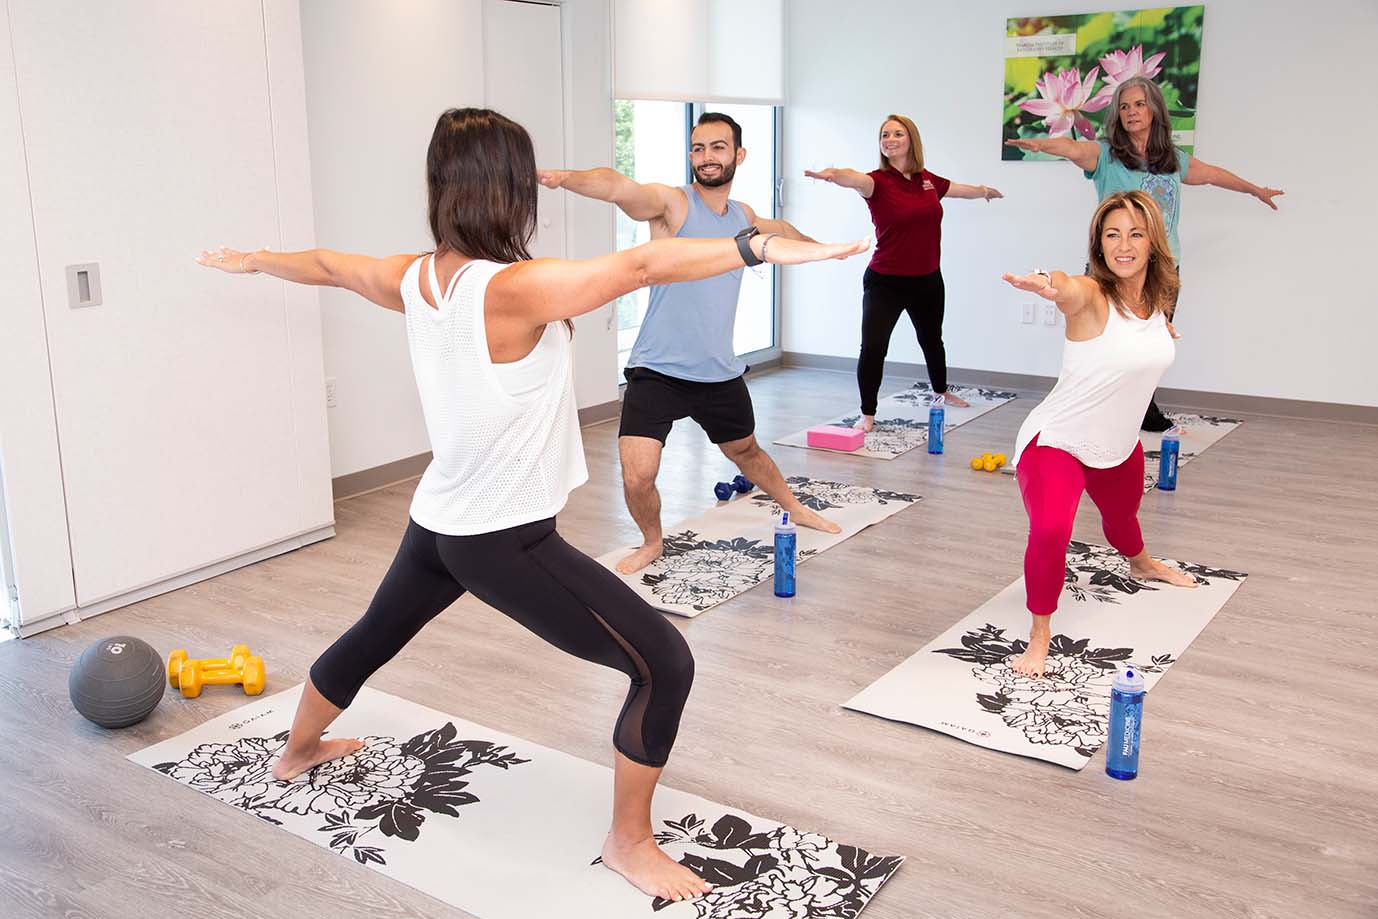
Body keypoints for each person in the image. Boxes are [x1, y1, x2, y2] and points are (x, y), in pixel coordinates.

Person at [196, 107, 867, 902]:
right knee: (666, 664)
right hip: (501, 539)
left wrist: (254, 260)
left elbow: (331, 266)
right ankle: (629, 842)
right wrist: (761, 245)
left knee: (375, 633)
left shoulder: (415, 275)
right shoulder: (514, 287)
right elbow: (642, 269)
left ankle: (296, 749)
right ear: (509, 189)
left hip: (439, 519)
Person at [541, 111, 844, 576]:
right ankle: (652, 541)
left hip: (717, 371)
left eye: (718, 147)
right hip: (657, 369)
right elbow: (619, 187)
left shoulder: (743, 216)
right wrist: (563, 178)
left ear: (738, 155)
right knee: (638, 474)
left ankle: (795, 507)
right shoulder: (673, 205)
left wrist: (824, 248)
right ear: (690, 155)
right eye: (698, 148)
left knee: (747, 453)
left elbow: (780, 230)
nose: (707, 157)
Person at [1006, 76, 1283, 430]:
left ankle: (1141, 413)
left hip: (1162, 268)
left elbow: (1214, 175)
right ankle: (1087, 410)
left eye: (1138, 104)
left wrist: (1255, 190)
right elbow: (1074, 149)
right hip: (1110, 270)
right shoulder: (1106, 155)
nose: (1131, 112)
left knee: (1148, 345)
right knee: (1100, 344)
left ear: (1153, 108)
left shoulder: (1173, 160)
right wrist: (1040, 145)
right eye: (1124, 107)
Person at [1001, 190, 1197, 679]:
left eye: (1135, 234)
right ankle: (1040, 632)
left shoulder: (1157, 301)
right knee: (1051, 530)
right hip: (1057, 440)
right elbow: (1070, 288)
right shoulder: (1091, 295)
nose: (1124, 245)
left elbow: (1144, 338)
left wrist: (1160, 331)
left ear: (1153, 242)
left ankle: (1142, 563)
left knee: (1122, 518)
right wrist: (1047, 283)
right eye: (1112, 235)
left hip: (1117, 443)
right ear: (1099, 244)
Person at [804, 113, 1004, 431]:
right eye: (885, 135)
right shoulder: (877, 182)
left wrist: (983, 190)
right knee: (873, 348)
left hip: (927, 279)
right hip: (885, 282)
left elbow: (956, 189)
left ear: (911, 139)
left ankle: (941, 391)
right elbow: (853, 177)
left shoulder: (926, 180)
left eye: (897, 133)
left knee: (931, 339)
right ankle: (867, 413)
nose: (890, 139)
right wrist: (832, 174)